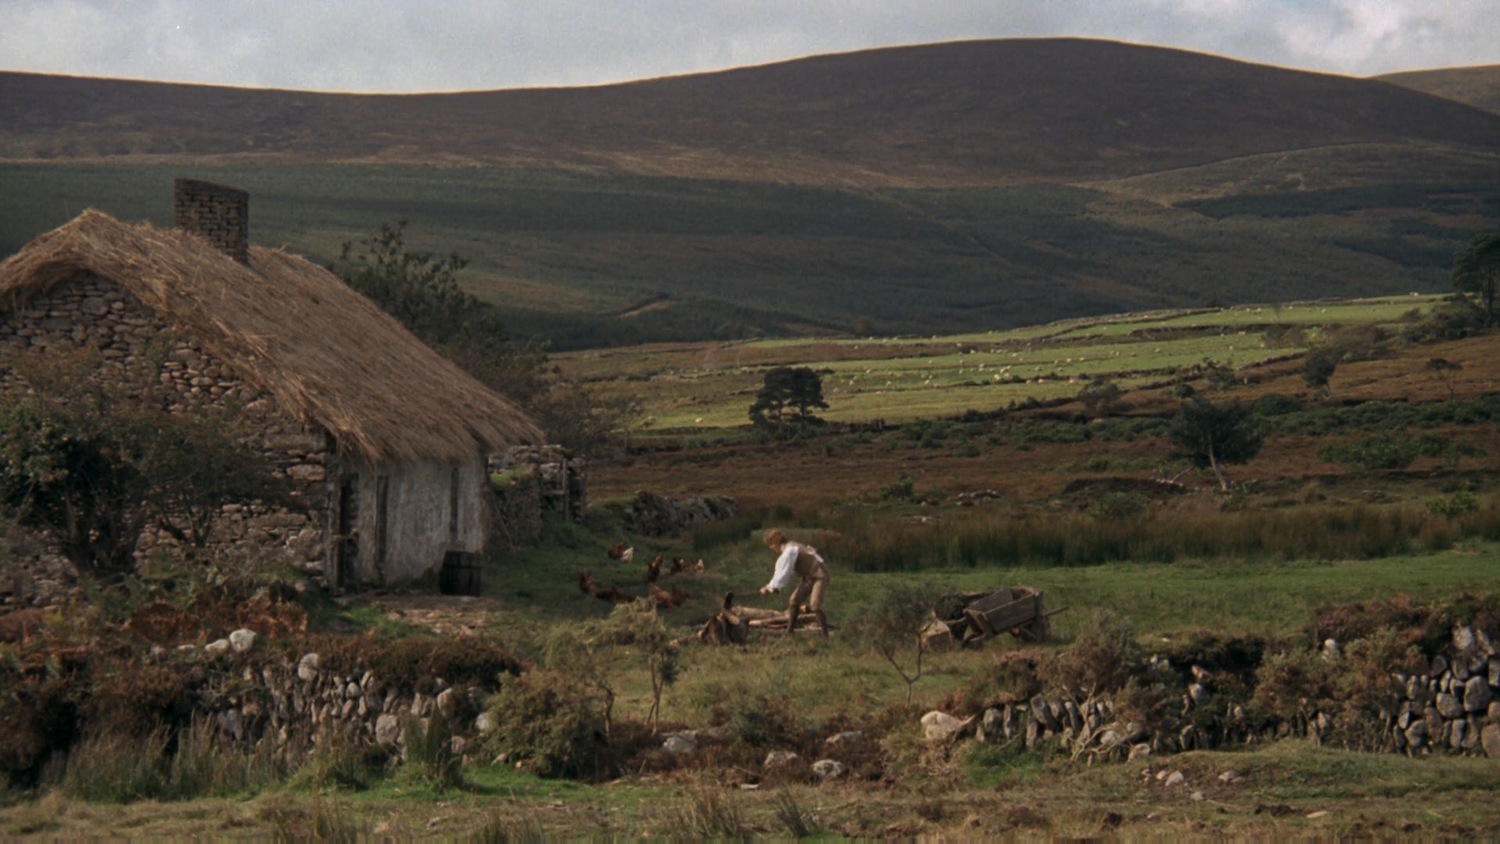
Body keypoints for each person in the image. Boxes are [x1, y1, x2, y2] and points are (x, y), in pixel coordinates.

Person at [758, 529, 830, 636]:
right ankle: (789, 632)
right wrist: (771, 587)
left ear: (777, 542)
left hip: (820, 575)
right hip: (809, 576)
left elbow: (784, 571)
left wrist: (772, 587)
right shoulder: (790, 548)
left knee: (815, 605)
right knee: (794, 600)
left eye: (771, 545)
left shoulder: (790, 550)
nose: (771, 548)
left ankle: (826, 636)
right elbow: (784, 571)